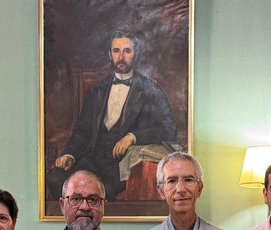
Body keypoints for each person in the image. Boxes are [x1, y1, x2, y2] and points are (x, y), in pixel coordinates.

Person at [50, 29, 177, 200]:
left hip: (123, 165)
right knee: (55, 180)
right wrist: (70, 155)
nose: (121, 56)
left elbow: (168, 129)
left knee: (101, 194)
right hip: (92, 158)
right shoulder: (97, 91)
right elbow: (82, 132)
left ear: (135, 54)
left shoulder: (150, 91)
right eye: (116, 51)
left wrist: (133, 136)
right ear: (110, 55)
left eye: (127, 51)